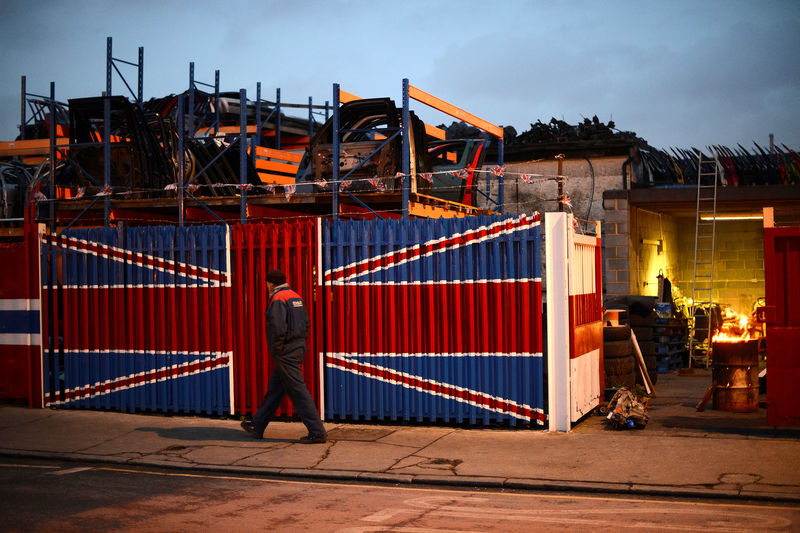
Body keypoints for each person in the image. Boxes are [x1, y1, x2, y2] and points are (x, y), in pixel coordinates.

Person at [241, 269, 327, 444]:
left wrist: (277, 349)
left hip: (286, 352)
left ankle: (317, 432)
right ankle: (257, 425)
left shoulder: (278, 299)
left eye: (266, 284)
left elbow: (277, 328)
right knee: (276, 389)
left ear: (271, 283)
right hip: (298, 346)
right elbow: (307, 323)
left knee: (298, 391)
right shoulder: (295, 296)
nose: (266, 287)